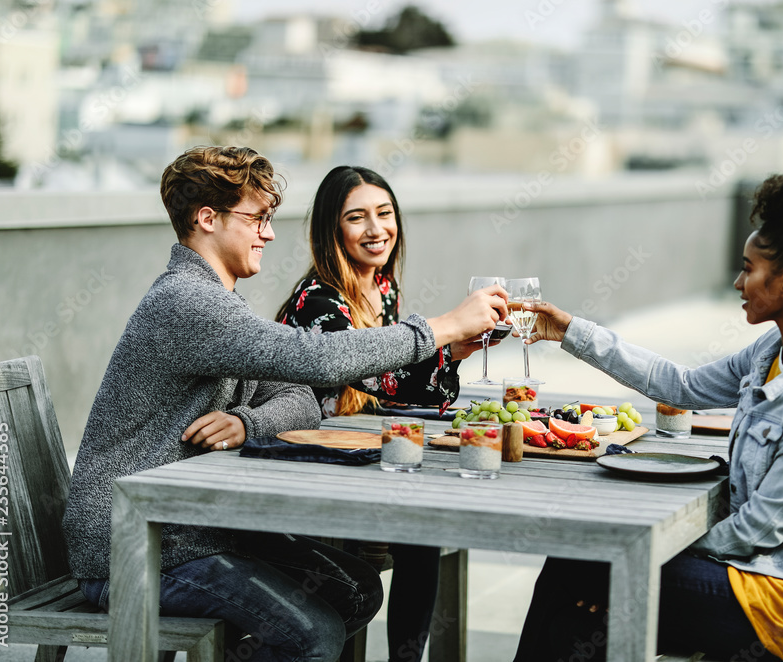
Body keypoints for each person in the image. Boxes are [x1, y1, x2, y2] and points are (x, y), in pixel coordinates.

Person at [61, 145, 507, 662]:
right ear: (208, 219)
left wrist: (247, 422)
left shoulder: (217, 300)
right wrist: (443, 327)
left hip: (191, 530)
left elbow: (301, 398)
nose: (269, 234)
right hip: (140, 547)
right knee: (313, 635)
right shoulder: (186, 301)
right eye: (257, 219)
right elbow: (318, 362)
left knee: (356, 591)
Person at [512, 172, 783, 662]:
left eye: (748, 270)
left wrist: (647, 546)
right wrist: (570, 331)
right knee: (575, 615)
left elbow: (759, 529)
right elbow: (682, 385)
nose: (739, 282)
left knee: (586, 570)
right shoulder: (771, 349)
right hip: (750, 573)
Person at [276, 165, 487, 662]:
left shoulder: (380, 286)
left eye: (384, 213)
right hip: (303, 470)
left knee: (425, 517)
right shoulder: (319, 301)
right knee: (422, 523)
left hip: (351, 455)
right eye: (357, 218)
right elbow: (379, 380)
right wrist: (448, 338)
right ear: (331, 230)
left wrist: (451, 353)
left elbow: (387, 389)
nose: (376, 229)